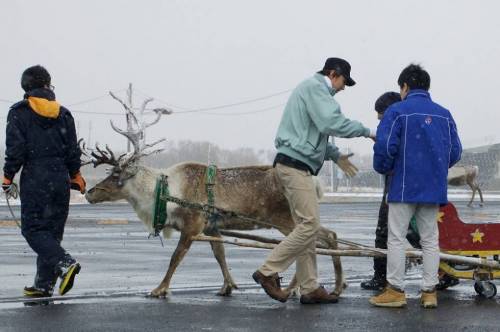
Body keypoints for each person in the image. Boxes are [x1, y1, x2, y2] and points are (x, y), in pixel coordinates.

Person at [252, 57, 375, 304]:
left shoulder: (313, 91)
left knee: (304, 228)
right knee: (310, 225)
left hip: (295, 164)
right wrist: (368, 131)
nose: (342, 88)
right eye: (343, 82)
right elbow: (330, 123)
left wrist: (335, 155)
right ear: (333, 74)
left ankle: (309, 287)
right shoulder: (316, 88)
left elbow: (314, 133)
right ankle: (268, 271)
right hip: (295, 167)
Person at [370, 64, 462, 309]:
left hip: (403, 185)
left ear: (405, 87)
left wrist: (385, 167)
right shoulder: (444, 113)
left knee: (397, 238)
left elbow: (385, 147)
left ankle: (395, 291)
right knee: (430, 239)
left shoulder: (398, 111)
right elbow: (455, 151)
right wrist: (436, 166)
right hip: (433, 187)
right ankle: (429, 292)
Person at [2, 65, 86, 298]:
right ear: (48, 84)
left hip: (36, 177)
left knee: (33, 229)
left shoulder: (20, 112)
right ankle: (43, 284)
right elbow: (72, 149)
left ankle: (65, 263)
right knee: (51, 231)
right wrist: (75, 174)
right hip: (59, 177)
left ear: (26, 86)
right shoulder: (64, 113)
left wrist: (8, 175)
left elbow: (16, 148)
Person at [360, 92, 422, 291]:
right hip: (414, 182)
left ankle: (382, 277)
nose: (379, 120)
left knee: (385, 231)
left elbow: (386, 151)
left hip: (396, 181)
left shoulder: (395, 122)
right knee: (418, 232)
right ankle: (441, 271)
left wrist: (381, 153)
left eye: (381, 116)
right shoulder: (413, 122)